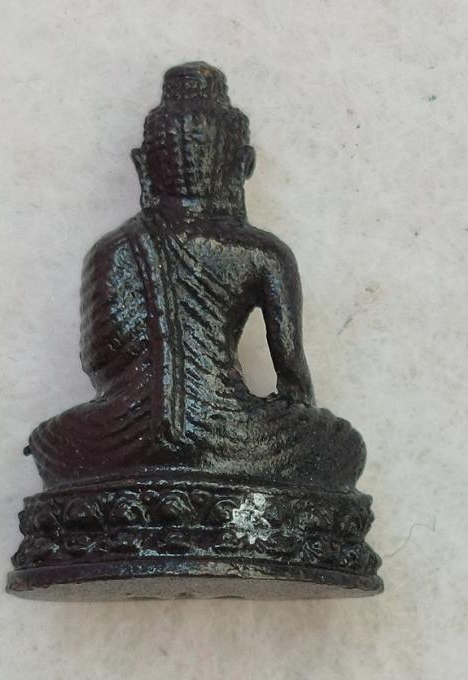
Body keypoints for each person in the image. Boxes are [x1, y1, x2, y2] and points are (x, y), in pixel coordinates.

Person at [26, 62, 365, 492]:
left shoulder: (112, 250)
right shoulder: (261, 253)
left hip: (124, 439)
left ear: (143, 167)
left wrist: (146, 403)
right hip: (233, 433)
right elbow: (294, 382)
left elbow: (99, 364)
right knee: (341, 444)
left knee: (51, 440)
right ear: (243, 164)